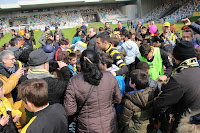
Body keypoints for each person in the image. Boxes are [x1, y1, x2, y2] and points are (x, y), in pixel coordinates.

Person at [64, 49, 122, 133]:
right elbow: (118, 99)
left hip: (92, 126)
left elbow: (70, 110)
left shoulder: (74, 81)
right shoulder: (109, 77)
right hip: (104, 126)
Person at [154, 40, 200, 132]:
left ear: (177, 58)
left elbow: (160, 105)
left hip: (187, 125)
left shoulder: (179, 79)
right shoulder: (196, 71)